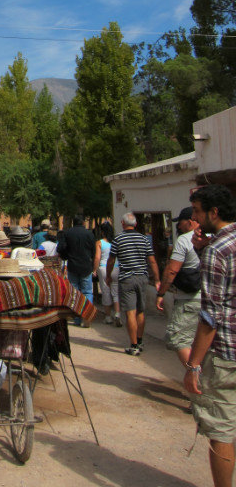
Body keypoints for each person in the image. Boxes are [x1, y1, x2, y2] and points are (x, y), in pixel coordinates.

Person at [183, 185, 236, 487]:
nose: (194, 219)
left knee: (221, 429)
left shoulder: (218, 250)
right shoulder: (217, 246)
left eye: (198, 212)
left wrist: (194, 365)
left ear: (214, 213)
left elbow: (210, 317)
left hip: (226, 351)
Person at [106, 212, 160, 356]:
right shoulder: (144, 239)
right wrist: (157, 279)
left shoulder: (118, 240)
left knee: (130, 312)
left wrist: (108, 276)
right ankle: (140, 340)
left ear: (123, 224)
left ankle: (134, 344)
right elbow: (152, 260)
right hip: (142, 277)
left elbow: (111, 260)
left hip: (126, 278)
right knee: (141, 311)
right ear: (135, 224)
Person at [156, 207, 201, 368]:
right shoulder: (216, 237)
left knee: (178, 338)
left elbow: (172, 270)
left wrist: (161, 293)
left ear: (189, 221)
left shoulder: (184, 240)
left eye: (180, 223)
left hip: (188, 299)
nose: (178, 227)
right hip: (211, 298)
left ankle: (196, 375)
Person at [56, 216, 96, 327]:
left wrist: (65, 257)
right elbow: (93, 250)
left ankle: (77, 317)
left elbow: (61, 248)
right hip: (86, 265)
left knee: (75, 292)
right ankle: (87, 315)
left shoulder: (68, 233)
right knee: (87, 291)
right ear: (83, 222)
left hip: (73, 265)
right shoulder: (89, 234)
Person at [93, 221, 121, 326]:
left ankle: (108, 316)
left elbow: (97, 257)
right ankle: (118, 313)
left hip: (104, 268)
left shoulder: (100, 243)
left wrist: (94, 269)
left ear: (102, 232)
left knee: (105, 291)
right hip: (116, 267)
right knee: (116, 292)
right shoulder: (116, 241)